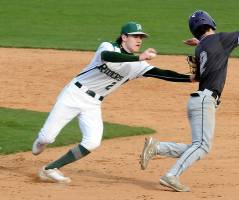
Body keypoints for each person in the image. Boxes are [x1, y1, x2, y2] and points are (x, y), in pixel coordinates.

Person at [32, 21, 195, 183]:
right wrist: (140, 57)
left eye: (141, 37)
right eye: (135, 36)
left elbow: (161, 73)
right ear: (124, 37)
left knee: (92, 142)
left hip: (93, 104)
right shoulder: (108, 47)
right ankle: (41, 141)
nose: (139, 40)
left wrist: (190, 79)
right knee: (46, 138)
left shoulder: (138, 66)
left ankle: (50, 169)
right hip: (74, 94)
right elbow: (108, 57)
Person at [140, 9, 239, 192]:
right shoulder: (219, 40)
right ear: (211, 22)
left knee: (197, 146)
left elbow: (202, 59)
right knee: (202, 146)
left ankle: (157, 147)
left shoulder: (200, 47)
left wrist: (198, 42)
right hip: (205, 100)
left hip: (199, 101)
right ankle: (171, 176)